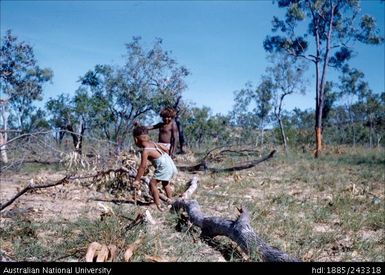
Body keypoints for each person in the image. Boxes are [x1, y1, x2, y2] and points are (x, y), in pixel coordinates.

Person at [132, 126, 178, 211]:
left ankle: (158, 205)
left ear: (136, 140)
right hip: (169, 163)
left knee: (152, 184)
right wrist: (161, 159)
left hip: (164, 166)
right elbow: (166, 149)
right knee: (165, 183)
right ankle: (170, 201)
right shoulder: (154, 144)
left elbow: (142, 166)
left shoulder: (146, 151)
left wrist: (137, 180)